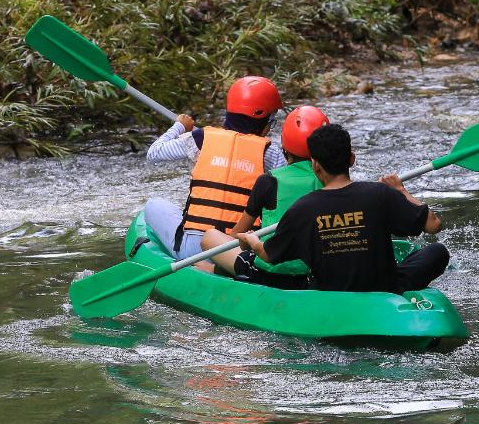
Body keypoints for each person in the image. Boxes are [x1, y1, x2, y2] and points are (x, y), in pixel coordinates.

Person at [234, 124, 450, 294]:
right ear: (352, 159)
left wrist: (253, 241)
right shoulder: (381, 194)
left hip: (329, 292)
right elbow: (434, 225)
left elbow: (269, 255)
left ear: (315, 165)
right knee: (438, 252)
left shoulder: (303, 208)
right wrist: (401, 191)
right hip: (383, 287)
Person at [143, 76, 285, 260]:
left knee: (153, 204)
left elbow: (153, 153)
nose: (270, 127)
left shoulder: (200, 139)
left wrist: (179, 126)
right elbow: (284, 197)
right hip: (239, 253)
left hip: (192, 250)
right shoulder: (270, 151)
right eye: (271, 121)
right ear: (259, 116)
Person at [200, 105, 331, 289]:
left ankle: (212, 273)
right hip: (315, 275)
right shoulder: (333, 180)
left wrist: (249, 239)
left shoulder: (269, 181)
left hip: (270, 274)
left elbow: (237, 235)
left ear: (285, 145)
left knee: (210, 237)